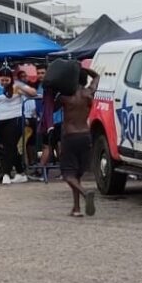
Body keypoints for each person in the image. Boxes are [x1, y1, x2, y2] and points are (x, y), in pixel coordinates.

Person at [57, 67, 100, 217]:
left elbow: (51, 104)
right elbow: (97, 77)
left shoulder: (64, 97)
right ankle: (76, 208)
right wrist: (82, 68)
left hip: (70, 136)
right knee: (77, 175)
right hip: (85, 135)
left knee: (67, 174)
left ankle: (85, 193)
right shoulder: (89, 93)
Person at [0, 65, 36, 184]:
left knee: (9, 146)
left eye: (7, 80)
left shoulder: (16, 85)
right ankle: (20, 172)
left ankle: (6, 173)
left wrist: (21, 87)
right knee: (9, 146)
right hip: (1, 120)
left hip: (15, 119)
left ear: (11, 79)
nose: (4, 82)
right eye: (2, 80)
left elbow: (33, 93)